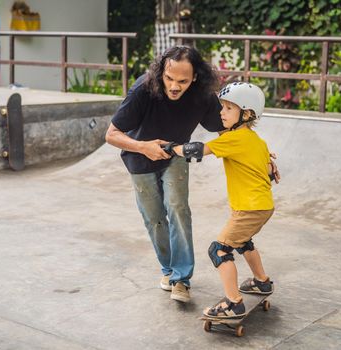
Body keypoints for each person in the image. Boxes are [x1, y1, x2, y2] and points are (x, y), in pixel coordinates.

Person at [105, 45, 225, 303]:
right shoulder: (143, 90)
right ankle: (169, 270)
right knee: (154, 219)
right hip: (139, 158)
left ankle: (181, 279)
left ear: (194, 78)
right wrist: (143, 147)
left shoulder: (202, 95)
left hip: (175, 155)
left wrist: (260, 155)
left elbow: (227, 131)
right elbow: (111, 135)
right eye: (169, 78)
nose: (174, 86)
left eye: (182, 81)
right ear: (161, 72)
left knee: (178, 209)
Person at [163, 82, 280, 318]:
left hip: (249, 208)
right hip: (261, 206)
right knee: (243, 241)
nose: (221, 112)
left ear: (246, 114)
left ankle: (233, 303)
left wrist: (169, 148)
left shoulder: (234, 138)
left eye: (228, 108)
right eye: (222, 107)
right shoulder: (257, 140)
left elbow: (197, 150)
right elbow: (268, 167)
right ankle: (262, 282)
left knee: (219, 250)